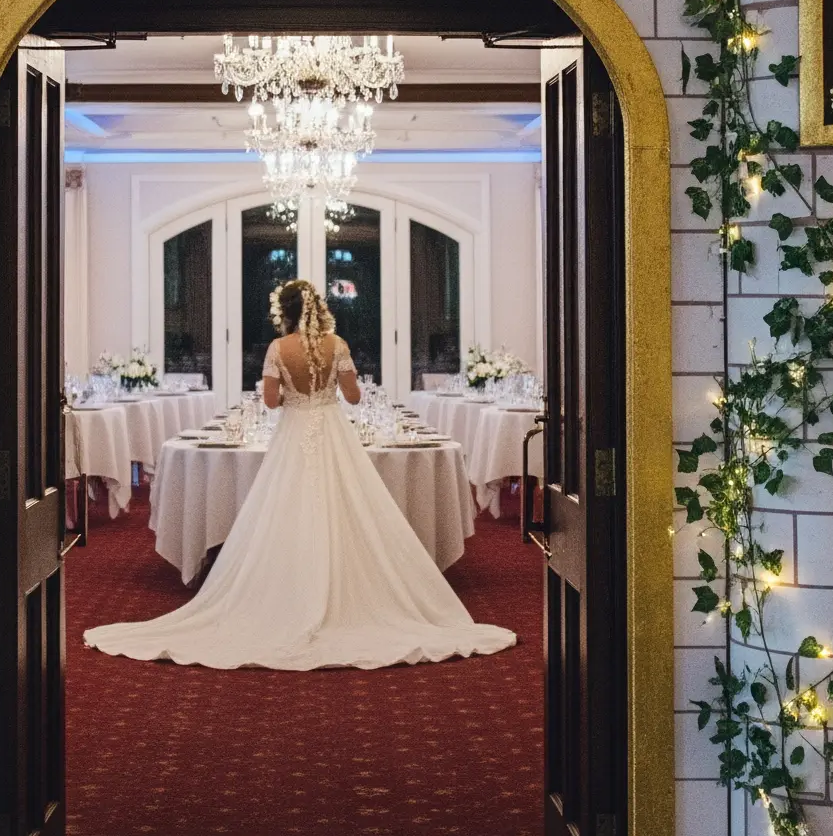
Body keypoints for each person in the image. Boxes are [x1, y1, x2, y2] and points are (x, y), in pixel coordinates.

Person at [83, 277, 516, 671]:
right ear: (319, 308)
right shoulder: (338, 344)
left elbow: (270, 402)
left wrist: (294, 392)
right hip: (332, 433)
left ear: (284, 312)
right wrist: (327, 388)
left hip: (293, 435)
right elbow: (353, 394)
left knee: (283, 508)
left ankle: (283, 592)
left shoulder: (278, 349)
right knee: (350, 505)